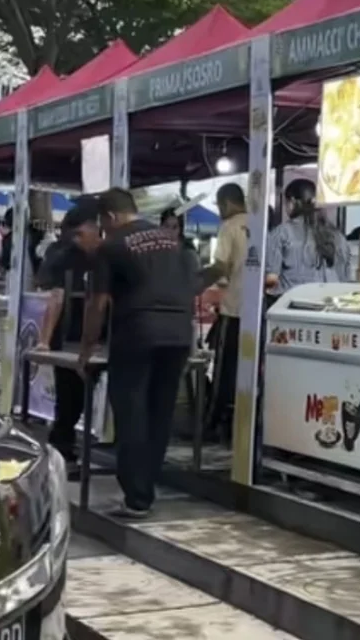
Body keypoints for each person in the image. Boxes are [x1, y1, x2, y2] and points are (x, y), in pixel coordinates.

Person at [75, 188, 197, 518]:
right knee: (160, 413)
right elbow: (192, 285)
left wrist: (87, 348)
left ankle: (136, 497)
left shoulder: (111, 246)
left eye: (103, 221)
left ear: (111, 217)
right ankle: (146, 490)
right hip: (179, 333)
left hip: (139, 332)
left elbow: (98, 303)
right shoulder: (175, 241)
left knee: (131, 411)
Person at [34, 200, 101, 476]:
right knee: (71, 395)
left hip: (87, 337)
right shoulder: (63, 255)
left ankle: (63, 449)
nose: (98, 232)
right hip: (71, 336)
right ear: (80, 230)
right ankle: (62, 451)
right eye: (94, 228)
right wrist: (45, 340)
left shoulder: (93, 254)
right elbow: (56, 298)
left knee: (74, 395)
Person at [197, 183, 248, 440]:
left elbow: (220, 266)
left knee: (223, 372)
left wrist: (195, 285)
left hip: (235, 309)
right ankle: (238, 423)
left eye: (219, 206)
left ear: (226, 203)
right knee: (249, 372)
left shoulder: (229, 227)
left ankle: (210, 423)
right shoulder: (261, 224)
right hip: (258, 311)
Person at [266, 178, 352, 296]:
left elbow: (271, 280)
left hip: (291, 307)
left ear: (291, 202)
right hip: (331, 306)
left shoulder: (282, 233)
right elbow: (345, 278)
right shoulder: (338, 236)